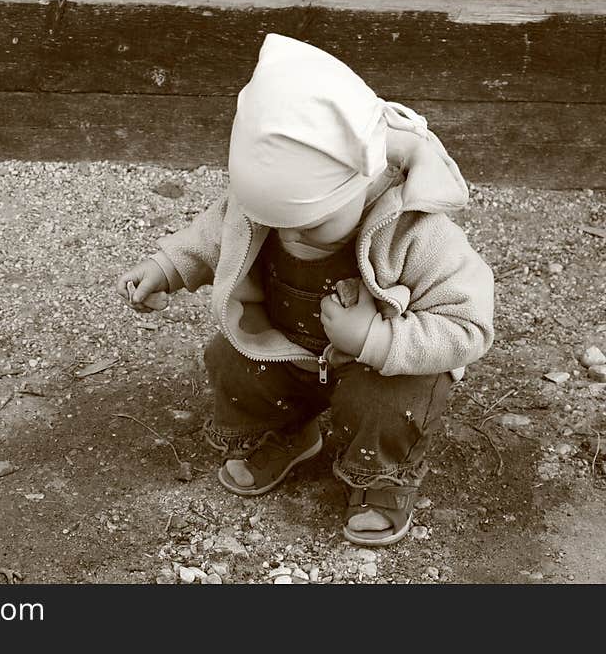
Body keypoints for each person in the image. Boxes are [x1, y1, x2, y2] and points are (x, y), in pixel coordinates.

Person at [115, 33, 494, 546]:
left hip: (379, 368)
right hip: (293, 350)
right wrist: (166, 267)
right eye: (272, 221)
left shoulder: (417, 231)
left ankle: (380, 475)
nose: (288, 235)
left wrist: (375, 339)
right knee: (232, 359)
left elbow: (468, 326)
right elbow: (214, 233)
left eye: (308, 224)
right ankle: (292, 432)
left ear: (364, 180)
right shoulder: (271, 207)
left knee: (389, 403)